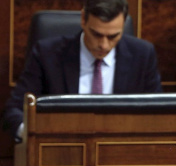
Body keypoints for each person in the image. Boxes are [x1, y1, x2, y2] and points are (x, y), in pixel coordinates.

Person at [1, 0, 162, 142]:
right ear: (83, 19)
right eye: (96, 34)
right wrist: (36, 136)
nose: (104, 45)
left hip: (120, 153)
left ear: (123, 24)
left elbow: (158, 113)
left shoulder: (142, 55)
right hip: (62, 153)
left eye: (113, 36)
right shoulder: (47, 54)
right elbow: (14, 110)